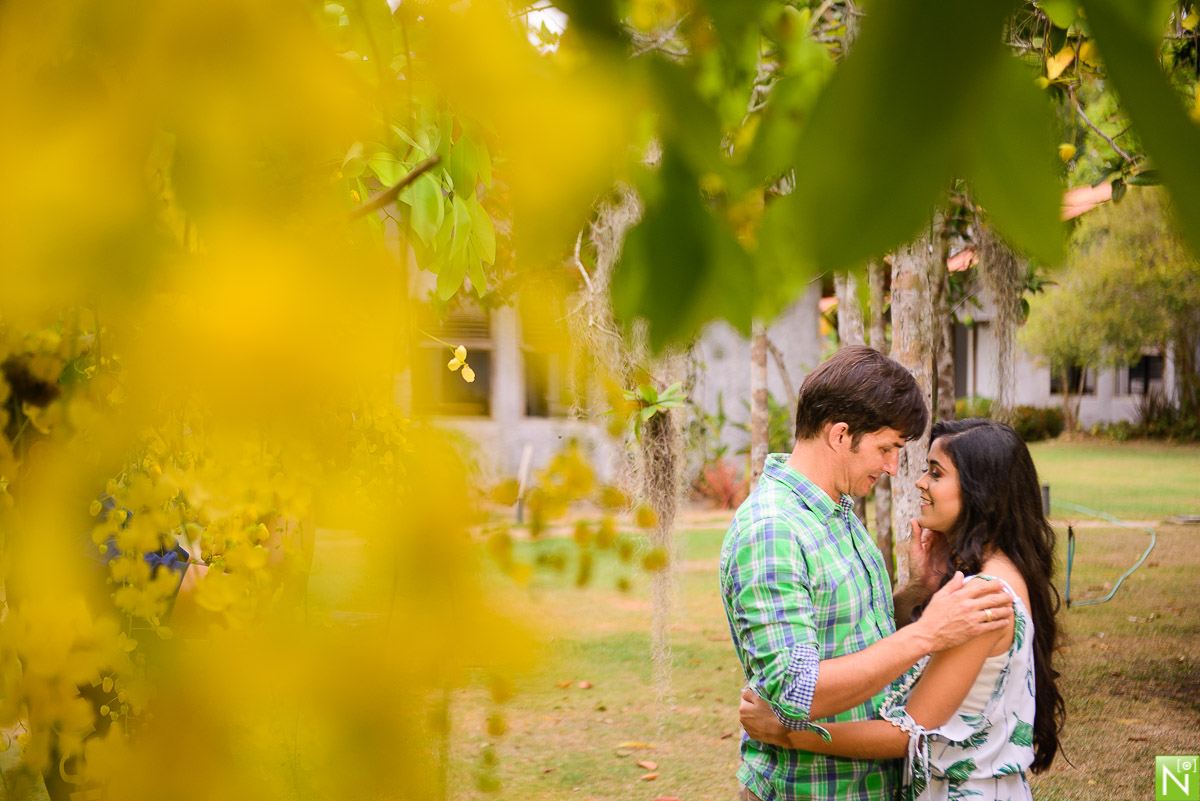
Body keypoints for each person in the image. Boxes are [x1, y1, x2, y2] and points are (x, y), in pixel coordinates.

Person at [720, 346, 1014, 801]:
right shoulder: (773, 530)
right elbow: (798, 694)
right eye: (886, 448)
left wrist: (920, 591)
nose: (893, 467)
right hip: (811, 791)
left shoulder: (836, 511)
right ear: (840, 435)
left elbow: (854, 633)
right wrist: (927, 635)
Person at [739, 418, 1065, 801]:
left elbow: (909, 734)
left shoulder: (980, 599)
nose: (920, 482)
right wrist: (921, 588)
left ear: (983, 493)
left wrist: (785, 733)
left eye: (936, 473)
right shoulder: (1001, 576)